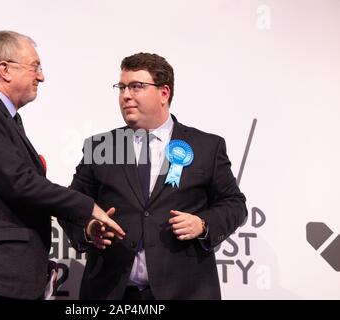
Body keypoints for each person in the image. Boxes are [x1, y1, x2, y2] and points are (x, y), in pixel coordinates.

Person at [0, 30, 124, 300]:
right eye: (35, 67)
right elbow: (20, 183)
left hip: (1, 274)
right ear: (5, 69)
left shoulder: (4, 117)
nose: (41, 76)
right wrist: (88, 207)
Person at [60, 52, 247, 300]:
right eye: (122, 87)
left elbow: (235, 205)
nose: (126, 95)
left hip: (186, 292)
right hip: (111, 293)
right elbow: (71, 205)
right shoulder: (101, 147)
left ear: (164, 93)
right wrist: (88, 227)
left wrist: (202, 224)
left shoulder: (206, 146)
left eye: (137, 86)